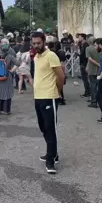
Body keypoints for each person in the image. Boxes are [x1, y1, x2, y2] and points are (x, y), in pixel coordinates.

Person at [31, 31, 65, 174]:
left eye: (38, 43)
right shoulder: (36, 57)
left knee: (50, 128)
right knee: (43, 127)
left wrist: (57, 91)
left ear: (44, 42)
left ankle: (51, 160)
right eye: (34, 43)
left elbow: (61, 76)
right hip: (37, 97)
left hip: (49, 97)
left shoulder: (51, 56)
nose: (36, 46)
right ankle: (53, 152)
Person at [0, 39, 18, 115]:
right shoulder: (11, 55)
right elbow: (18, 63)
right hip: (7, 76)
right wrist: (12, 70)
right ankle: (6, 110)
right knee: (7, 93)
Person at [85, 34, 100, 108]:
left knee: (93, 86)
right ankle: (99, 100)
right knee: (98, 86)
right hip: (99, 69)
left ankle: (94, 101)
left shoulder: (88, 49)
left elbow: (89, 59)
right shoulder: (98, 48)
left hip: (92, 69)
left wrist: (88, 66)